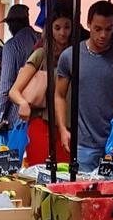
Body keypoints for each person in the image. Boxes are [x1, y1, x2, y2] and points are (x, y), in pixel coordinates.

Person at [55, 0, 113, 177]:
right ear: (88, 24)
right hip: (83, 143)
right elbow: (59, 95)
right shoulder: (70, 56)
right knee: (84, 195)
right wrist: (62, 129)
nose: (103, 35)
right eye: (98, 28)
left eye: (109, 29)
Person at [8, 10, 73, 165]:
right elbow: (14, 91)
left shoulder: (76, 55)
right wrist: (23, 104)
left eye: (67, 27)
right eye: (57, 28)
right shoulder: (41, 54)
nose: (62, 33)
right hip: (42, 125)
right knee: (40, 175)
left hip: (71, 127)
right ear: (49, 30)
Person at [0, 4, 40, 131]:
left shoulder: (11, 46)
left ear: (14, 23)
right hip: (41, 111)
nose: (9, 28)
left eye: (9, 25)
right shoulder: (41, 39)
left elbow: (6, 85)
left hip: (18, 114)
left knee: (13, 149)